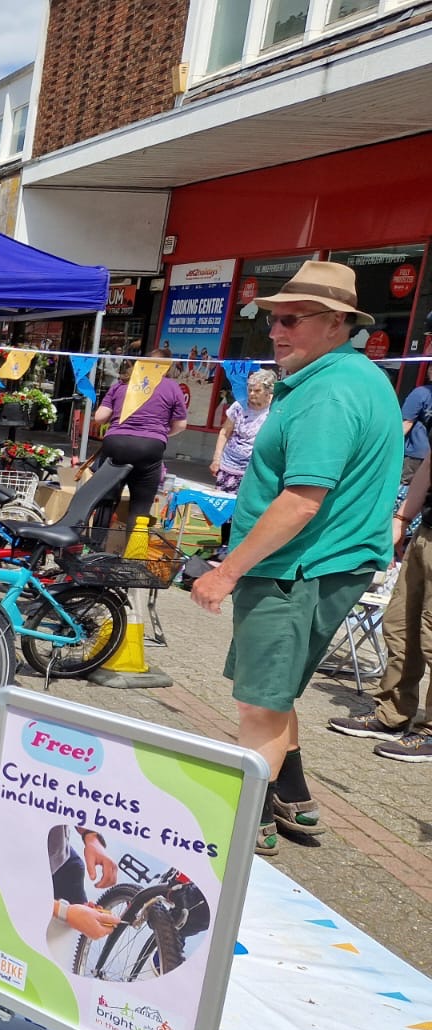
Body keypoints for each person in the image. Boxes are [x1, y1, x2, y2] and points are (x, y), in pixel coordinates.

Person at [191, 260, 402, 855]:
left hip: (298, 566)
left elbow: (303, 500)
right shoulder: (354, 377)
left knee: (258, 702)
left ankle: (246, 821)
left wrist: (226, 572)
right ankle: (295, 794)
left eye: (290, 319)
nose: (275, 332)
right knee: (276, 688)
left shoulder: (326, 392)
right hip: (320, 564)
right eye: (271, 320)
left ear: (337, 323)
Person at [327, 453, 431, 762]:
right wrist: (402, 518)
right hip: (426, 533)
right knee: (400, 626)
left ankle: (429, 733)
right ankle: (392, 715)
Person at [89, 349, 189, 526]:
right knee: (140, 508)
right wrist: (160, 434)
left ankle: (94, 547)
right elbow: (180, 425)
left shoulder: (121, 384)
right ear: (166, 367)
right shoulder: (172, 387)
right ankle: (132, 552)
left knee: (106, 501)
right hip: (149, 447)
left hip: (116, 443)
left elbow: (99, 417)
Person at [209, 368, 276, 545]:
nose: (252, 394)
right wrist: (217, 459)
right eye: (249, 389)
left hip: (254, 468)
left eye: (257, 390)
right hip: (230, 465)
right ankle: (225, 546)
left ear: (269, 391)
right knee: (226, 511)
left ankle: (244, 548)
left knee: (249, 510)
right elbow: (225, 431)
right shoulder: (239, 405)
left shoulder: (275, 409)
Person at [401, 376, 432, 484]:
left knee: (403, 485)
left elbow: (406, 423)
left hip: (414, 453)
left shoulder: (421, 393)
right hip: (427, 454)